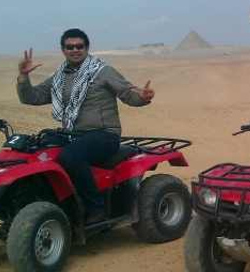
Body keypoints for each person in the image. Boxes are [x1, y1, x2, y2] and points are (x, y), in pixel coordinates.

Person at [16, 28, 155, 222]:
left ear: (87, 48)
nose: (75, 50)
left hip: (103, 135)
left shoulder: (102, 71)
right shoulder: (59, 78)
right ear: (63, 50)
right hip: (71, 135)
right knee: (36, 151)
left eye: (79, 46)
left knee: (70, 157)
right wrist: (23, 77)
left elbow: (128, 93)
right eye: (70, 47)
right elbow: (31, 97)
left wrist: (142, 97)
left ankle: (95, 208)